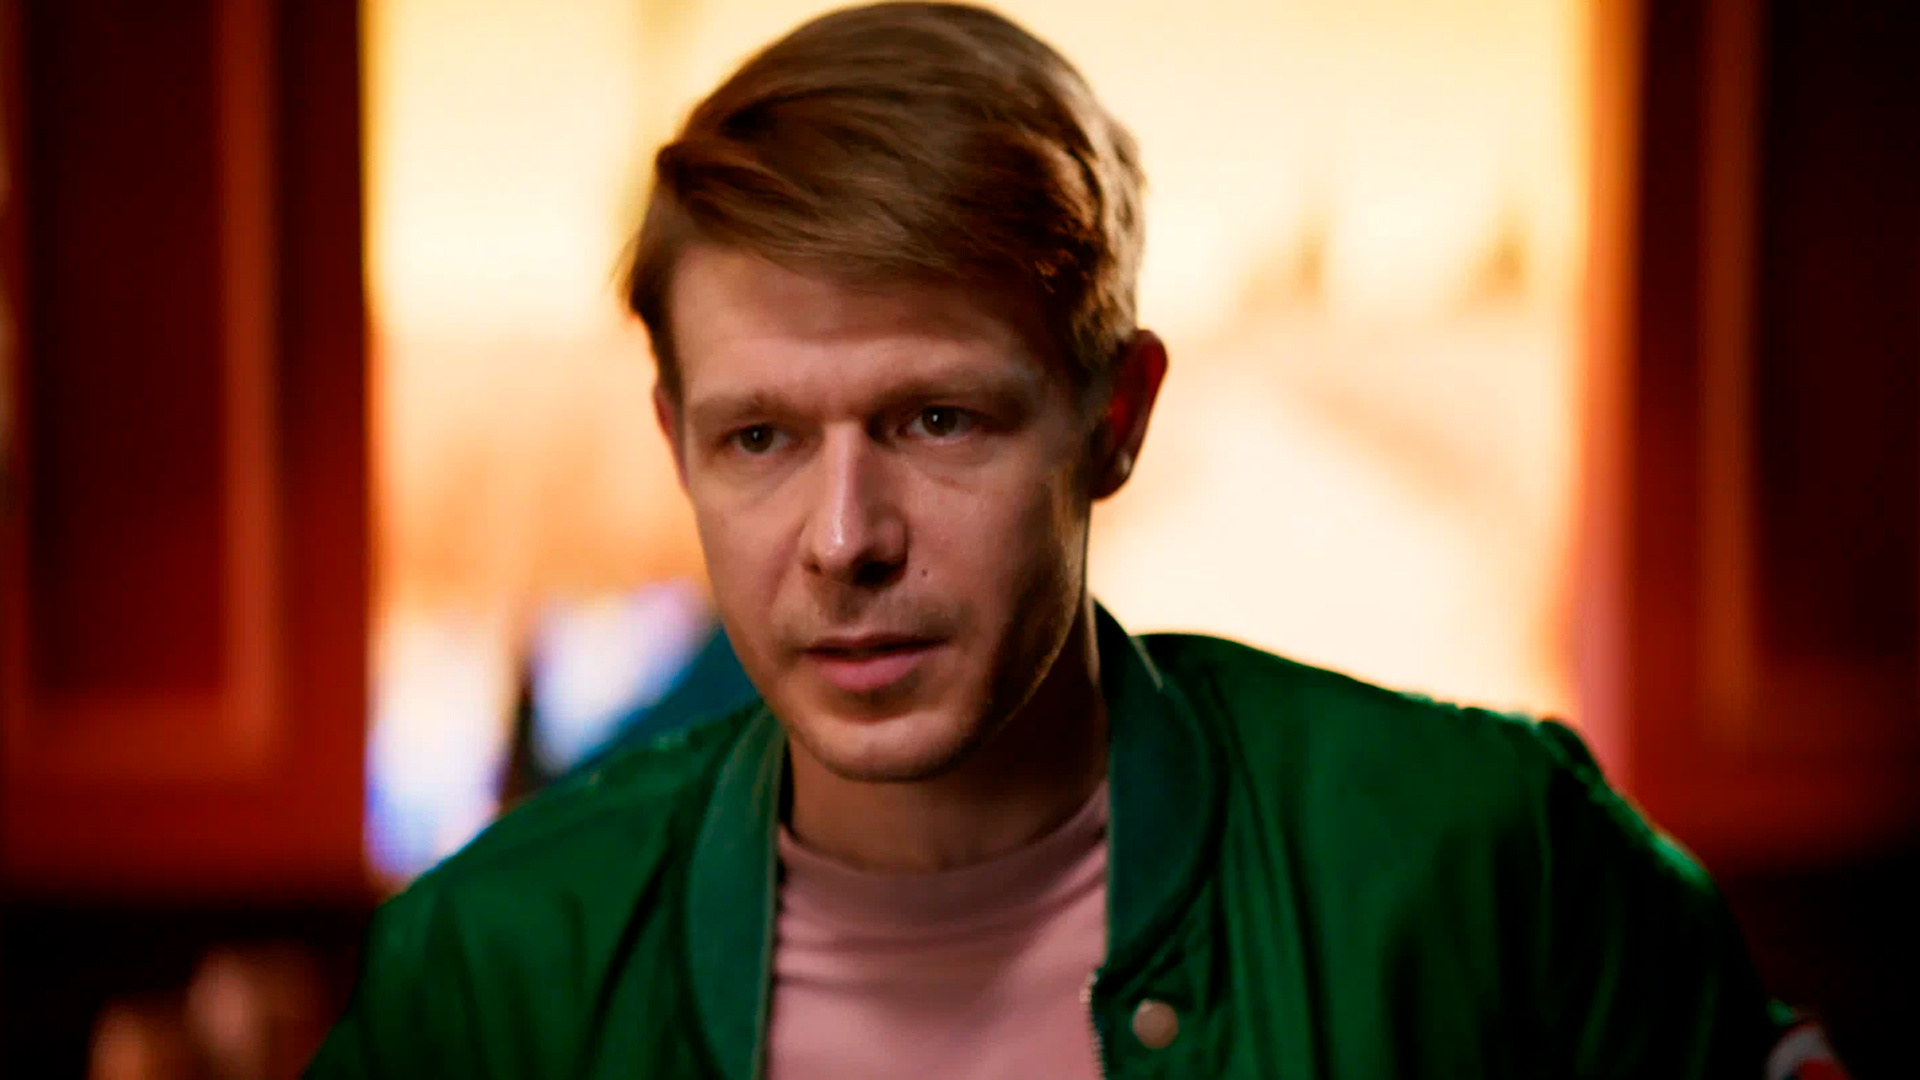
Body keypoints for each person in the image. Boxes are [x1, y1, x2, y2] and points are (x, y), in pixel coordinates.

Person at [308, 3, 1818, 1077]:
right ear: (676, 443)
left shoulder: (1487, 864)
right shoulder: (487, 968)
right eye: (759, 439)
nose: (842, 539)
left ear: (1116, 418)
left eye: (937, 420)